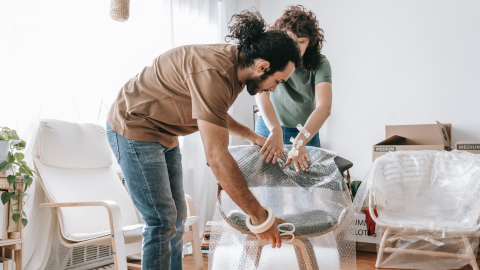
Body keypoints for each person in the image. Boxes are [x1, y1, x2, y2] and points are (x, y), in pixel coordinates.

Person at [106, 9, 301, 270]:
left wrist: (252, 136)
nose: (274, 89)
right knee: (162, 221)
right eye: (277, 81)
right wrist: (259, 216)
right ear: (262, 67)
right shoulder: (215, 73)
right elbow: (217, 159)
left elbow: (213, 113)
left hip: (164, 132)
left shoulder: (234, 69)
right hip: (133, 126)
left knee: (177, 220)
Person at [255, 5, 332, 173]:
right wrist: (274, 129)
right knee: (267, 183)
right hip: (269, 124)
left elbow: (324, 107)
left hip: (305, 130)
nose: (295, 47)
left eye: (301, 42)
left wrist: (300, 142)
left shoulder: (321, 64)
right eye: (291, 40)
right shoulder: (270, 57)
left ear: (310, 42)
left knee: (306, 185)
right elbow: (262, 95)